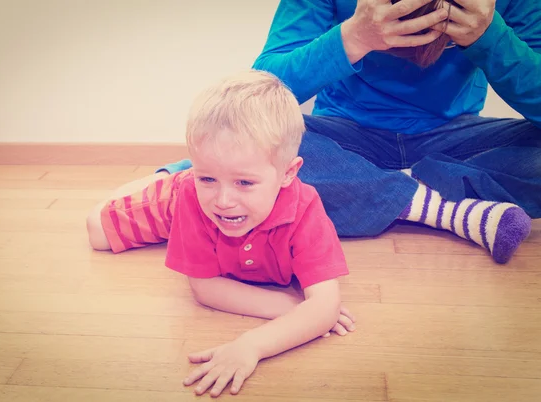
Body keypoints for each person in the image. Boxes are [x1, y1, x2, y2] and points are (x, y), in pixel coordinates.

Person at [155, 0, 540, 263]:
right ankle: (444, 206)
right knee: (260, 136)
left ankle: (375, 189)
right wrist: (354, 37)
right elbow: (261, 90)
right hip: (346, 134)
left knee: (269, 171)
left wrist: (491, 39)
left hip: (454, 139)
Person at [87, 70, 357, 397]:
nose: (224, 201)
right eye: (209, 178)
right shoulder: (192, 197)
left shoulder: (306, 208)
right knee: (97, 231)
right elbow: (205, 287)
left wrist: (251, 346)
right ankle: (164, 177)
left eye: (244, 182)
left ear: (288, 173)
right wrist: (294, 309)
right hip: (175, 200)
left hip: (195, 196)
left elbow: (325, 306)